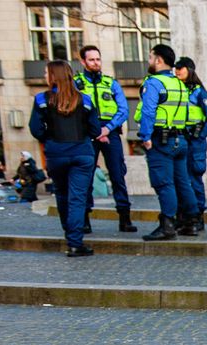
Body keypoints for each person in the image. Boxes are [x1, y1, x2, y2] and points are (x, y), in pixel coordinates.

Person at [29, 61, 99, 257]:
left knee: (61, 194)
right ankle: (75, 242)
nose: (44, 76)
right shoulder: (84, 100)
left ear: (53, 76)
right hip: (82, 153)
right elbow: (94, 129)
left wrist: (49, 139)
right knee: (78, 197)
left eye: (46, 73)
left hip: (56, 153)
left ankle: (70, 235)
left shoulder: (42, 100)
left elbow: (35, 129)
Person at [137, 44, 199, 241]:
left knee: (164, 184)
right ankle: (190, 222)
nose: (149, 61)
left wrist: (145, 137)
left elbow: (148, 111)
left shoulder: (154, 83)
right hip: (180, 140)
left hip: (160, 140)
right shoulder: (180, 84)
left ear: (159, 60)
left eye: (150, 57)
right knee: (182, 182)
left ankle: (167, 225)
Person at [74, 45, 135, 233]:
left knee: (118, 175)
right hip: (87, 135)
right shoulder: (76, 83)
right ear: (83, 62)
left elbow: (123, 110)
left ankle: (125, 218)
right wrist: (95, 131)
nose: (95, 63)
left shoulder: (111, 83)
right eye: (91, 60)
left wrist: (107, 129)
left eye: (98, 59)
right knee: (85, 177)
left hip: (111, 133)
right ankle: (84, 219)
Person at [175, 57, 207, 232]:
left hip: (195, 143)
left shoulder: (199, 92)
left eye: (181, 68)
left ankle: (198, 216)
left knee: (194, 179)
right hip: (182, 139)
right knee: (180, 180)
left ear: (190, 70)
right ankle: (184, 216)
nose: (177, 71)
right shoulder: (177, 90)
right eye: (176, 68)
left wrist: (199, 136)